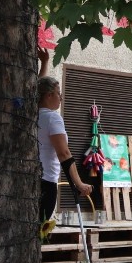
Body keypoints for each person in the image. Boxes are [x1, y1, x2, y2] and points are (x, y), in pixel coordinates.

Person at [37, 47, 93, 232]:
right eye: (58, 93)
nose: (61, 97)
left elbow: (37, 88)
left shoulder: (31, 113)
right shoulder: (53, 118)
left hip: (31, 178)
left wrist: (44, 63)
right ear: (49, 95)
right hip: (46, 181)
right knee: (40, 229)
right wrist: (79, 184)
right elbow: (64, 153)